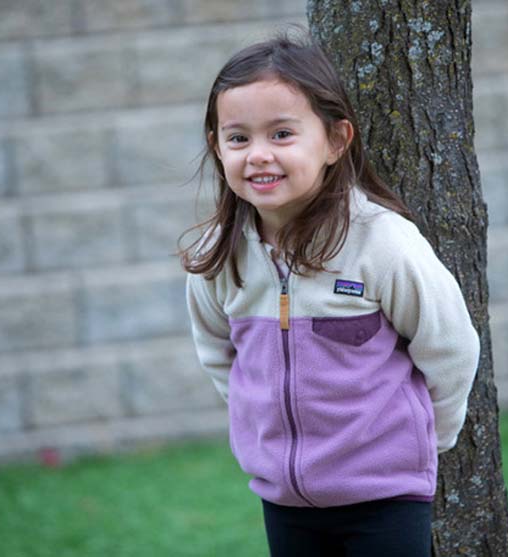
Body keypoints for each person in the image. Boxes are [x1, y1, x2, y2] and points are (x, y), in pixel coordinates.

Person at [180, 29, 480, 557]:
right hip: (285, 502)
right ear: (216, 147)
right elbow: (218, 354)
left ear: (335, 141)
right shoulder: (218, 255)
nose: (258, 156)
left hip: (387, 496)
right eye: (238, 138)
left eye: (281, 134)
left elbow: (451, 348)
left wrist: (424, 443)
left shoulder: (380, 242)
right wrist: (262, 430)